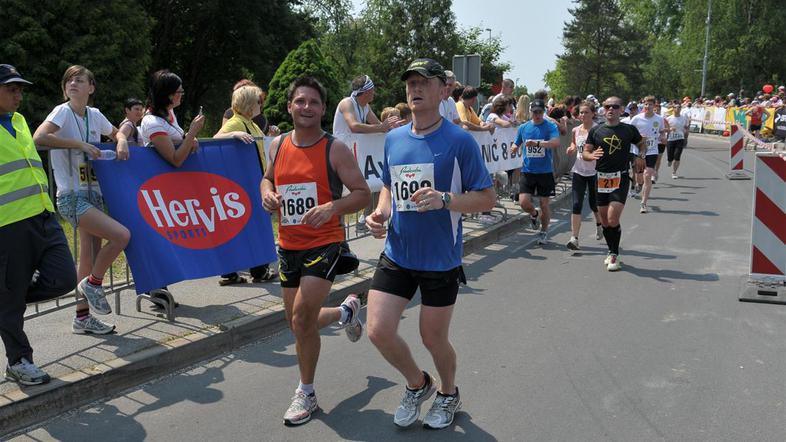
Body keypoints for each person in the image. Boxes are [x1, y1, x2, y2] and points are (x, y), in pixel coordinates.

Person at [364, 58, 495, 430]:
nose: (415, 89)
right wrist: (381, 213)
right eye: (410, 83)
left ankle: (449, 392)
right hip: (398, 252)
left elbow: (486, 197)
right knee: (378, 330)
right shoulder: (394, 137)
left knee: (433, 338)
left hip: (439, 258)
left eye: (425, 82)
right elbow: (390, 184)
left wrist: (446, 199)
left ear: (443, 90)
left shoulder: (459, 141)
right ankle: (418, 384)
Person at [261, 77, 371, 426]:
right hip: (289, 244)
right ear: (289, 105)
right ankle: (345, 312)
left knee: (300, 320)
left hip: (324, 243)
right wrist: (266, 194)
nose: (306, 107)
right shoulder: (277, 145)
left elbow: (362, 193)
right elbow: (267, 178)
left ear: (324, 109)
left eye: (313, 102)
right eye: (300, 101)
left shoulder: (333, 148)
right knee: (296, 321)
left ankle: (306, 393)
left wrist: (332, 208)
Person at [33, 65, 130, 335]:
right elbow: (39, 137)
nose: (73, 84)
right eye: (69, 81)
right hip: (72, 197)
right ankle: (94, 284)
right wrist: (79, 144)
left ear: (91, 88)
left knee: (87, 258)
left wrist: (121, 140)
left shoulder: (94, 115)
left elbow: (117, 132)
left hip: (93, 195)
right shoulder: (62, 111)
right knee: (122, 236)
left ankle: (82, 317)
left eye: (79, 80)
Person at [1, 64, 78, 385]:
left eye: (20, 88)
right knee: (9, 296)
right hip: (8, 226)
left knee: (64, 278)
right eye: (11, 89)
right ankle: (19, 360)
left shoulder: (18, 121)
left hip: (44, 216)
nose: (19, 95)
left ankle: (6, 302)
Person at [139, 69, 206, 307]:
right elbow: (175, 158)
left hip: (170, 189)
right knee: (157, 240)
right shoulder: (151, 121)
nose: (182, 95)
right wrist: (192, 135)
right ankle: (156, 290)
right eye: (179, 91)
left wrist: (189, 138)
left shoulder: (168, 115)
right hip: (156, 188)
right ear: (167, 95)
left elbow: (179, 142)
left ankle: (159, 289)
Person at [213, 84, 277, 285]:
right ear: (249, 103)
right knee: (244, 228)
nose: (261, 104)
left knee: (254, 227)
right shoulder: (237, 122)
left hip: (253, 182)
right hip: (244, 184)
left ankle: (257, 270)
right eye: (258, 101)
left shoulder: (251, 123)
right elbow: (216, 138)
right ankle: (237, 272)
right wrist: (232, 135)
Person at [582, 97, 646, 271]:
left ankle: (614, 254)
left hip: (621, 178)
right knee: (604, 220)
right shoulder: (596, 131)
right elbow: (585, 152)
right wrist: (591, 156)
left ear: (621, 109)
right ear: (603, 109)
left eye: (614, 107)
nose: (610, 109)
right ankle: (611, 250)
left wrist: (641, 156)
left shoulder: (628, 129)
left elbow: (641, 143)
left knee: (612, 218)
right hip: (601, 178)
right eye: (607, 106)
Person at [510, 98, 561, 245]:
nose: (537, 114)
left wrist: (538, 143)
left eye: (540, 112)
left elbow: (556, 142)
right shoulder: (524, 127)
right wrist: (514, 147)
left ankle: (544, 232)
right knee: (524, 203)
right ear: (530, 112)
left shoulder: (550, 126)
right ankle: (534, 213)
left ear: (543, 112)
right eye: (535, 112)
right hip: (528, 171)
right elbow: (517, 141)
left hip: (545, 171)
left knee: (545, 204)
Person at [565, 101, 602, 251]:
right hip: (579, 171)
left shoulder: (598, 130)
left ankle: (599, 224)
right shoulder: (576, 130)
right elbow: (574, 144)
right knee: (576, 204)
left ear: (593, 114)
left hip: (594, 172)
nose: (583, 115)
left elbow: (602, 149)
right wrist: (571, 148)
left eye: (586, 112)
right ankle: (574, 238)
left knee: (594, 204)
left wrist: (593, 155)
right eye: (581, 112)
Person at [630, 96, 669, 213]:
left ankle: (643, 203)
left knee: (648, 175)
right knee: (640, 177)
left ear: (654, 106)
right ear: (644, 105)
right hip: (639, 151)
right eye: (646, 104)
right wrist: (638, 138)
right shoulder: (636, 119)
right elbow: (629, 132)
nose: (648, 106)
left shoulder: (659, 119)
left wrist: (662, 138)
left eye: (650, 104)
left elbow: (662, 131)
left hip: (652, 150)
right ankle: (639, 183)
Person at [666, 103, 690, 179]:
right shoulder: (669, 118)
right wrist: (670, 129)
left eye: (680, 107)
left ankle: (674, 172)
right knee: (670, 157)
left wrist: (686, 132)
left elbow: (686, 127)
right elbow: (665, 129)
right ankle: (669, 160)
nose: (678, 109)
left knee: (677, 156)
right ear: (673, 108)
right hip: (670, 139)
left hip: (680, 139)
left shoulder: (683, 118)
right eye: (676, 107)